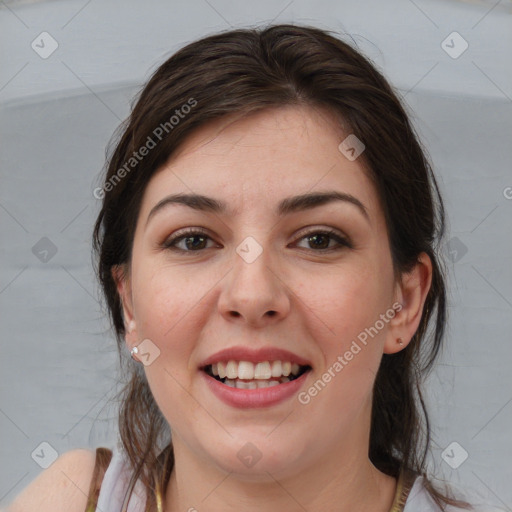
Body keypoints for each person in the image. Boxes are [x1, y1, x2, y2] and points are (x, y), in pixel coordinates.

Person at [6, 23, 501, 512]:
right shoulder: (68, 500)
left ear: (404, 301)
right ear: (129, 302)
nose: (252, 295)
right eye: (193, 240)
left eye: (319, 239)